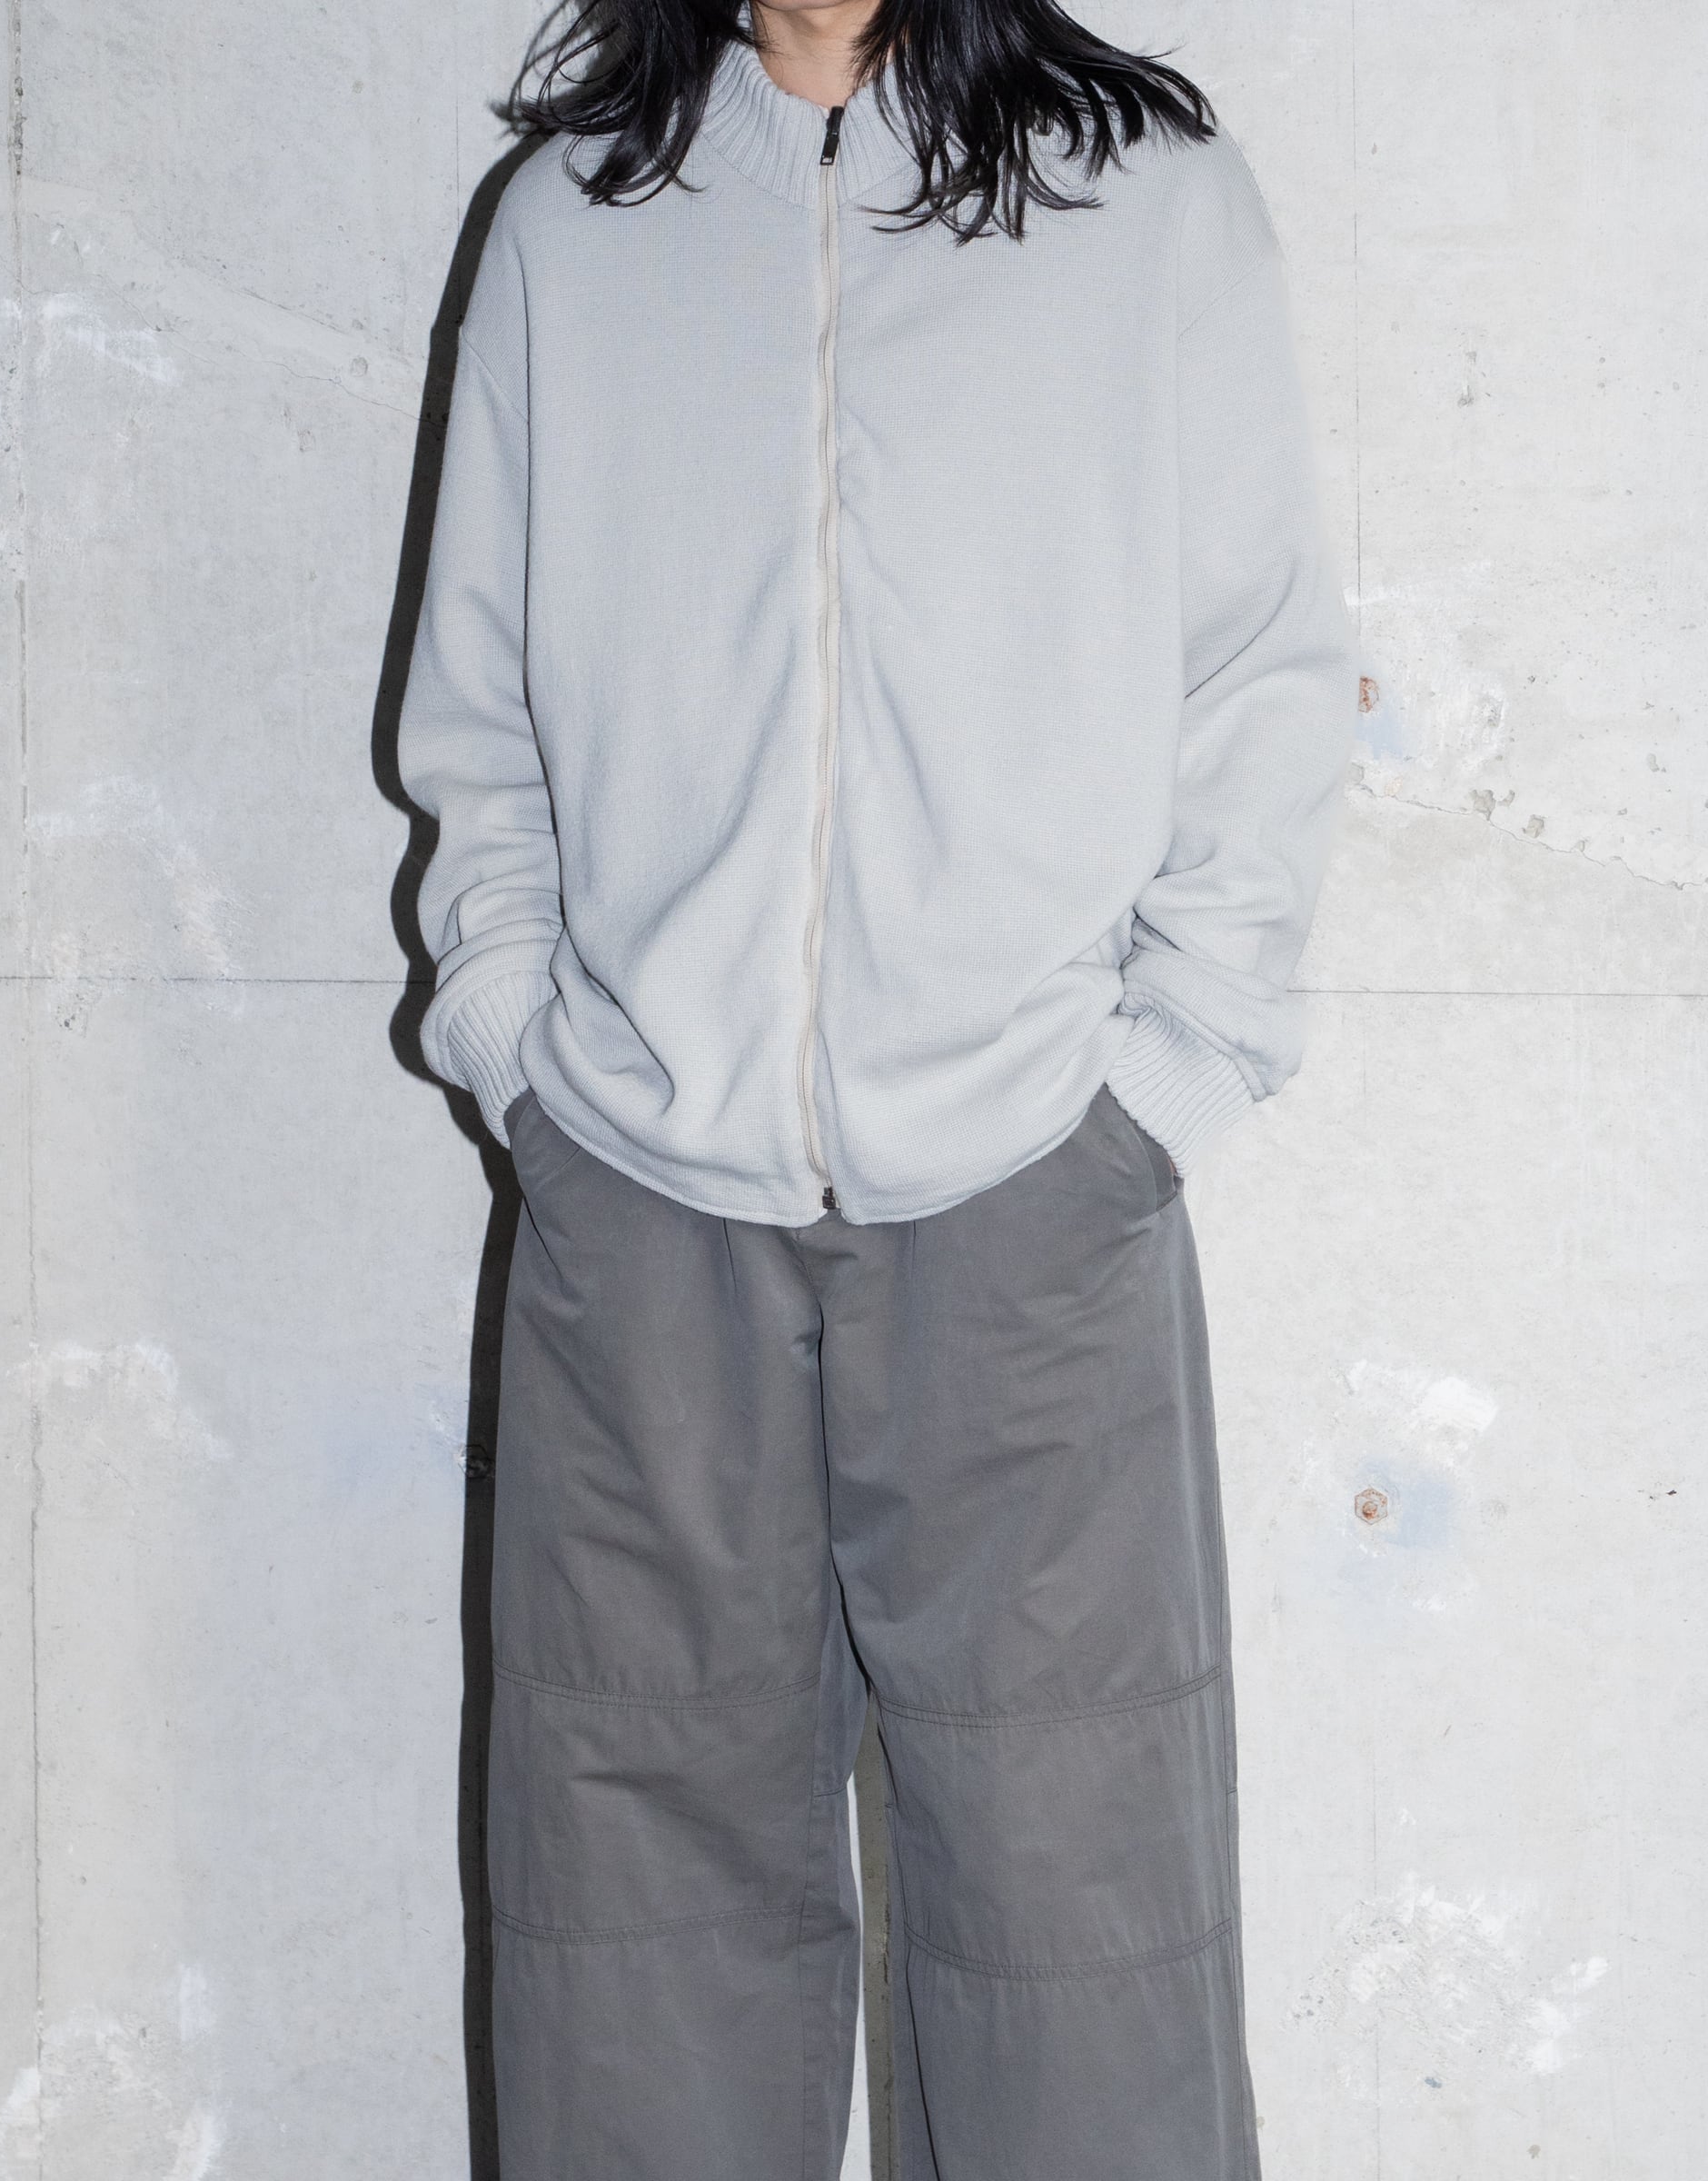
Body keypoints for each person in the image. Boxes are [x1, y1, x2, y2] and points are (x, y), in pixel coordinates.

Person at [396, 0, 1356, 2169]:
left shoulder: (1147, 202)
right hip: (642, 1210)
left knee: (1084, 1969)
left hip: (1032, 1199)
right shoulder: (577, 223)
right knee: (627, 1973)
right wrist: (527, 1061)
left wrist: (1161, 1088)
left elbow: (1264, 674)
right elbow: (483, 720)